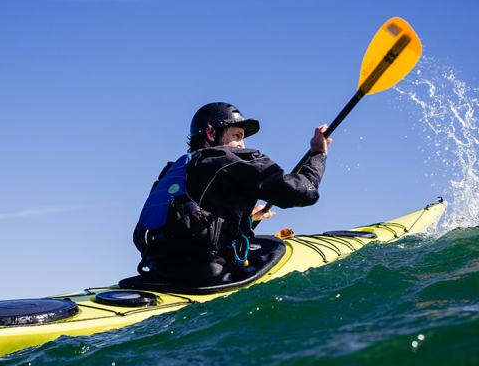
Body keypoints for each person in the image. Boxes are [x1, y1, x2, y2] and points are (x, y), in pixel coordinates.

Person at [133, 102, 331, 284]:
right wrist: (317, 155)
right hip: (205, 274)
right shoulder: (228, 158)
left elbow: (185, 220)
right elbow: (301, 192)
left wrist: (247, 217)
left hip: (158, 271)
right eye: (237, 136)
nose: (241, 145)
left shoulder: (176, 170)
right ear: (211, 133)